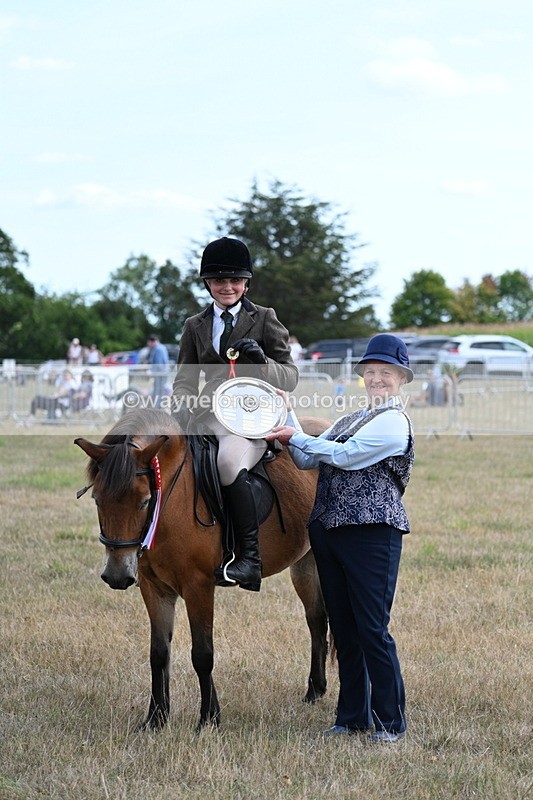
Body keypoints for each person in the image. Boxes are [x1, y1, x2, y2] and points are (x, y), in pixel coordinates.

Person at [265, 334, 415, 743]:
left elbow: (346, 456)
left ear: (402, 378)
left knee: (372, 630)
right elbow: (306, 457)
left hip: (371, 534)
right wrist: (288, 415)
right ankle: (351, 718)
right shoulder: (350, 419)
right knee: (345, 630)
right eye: (371, 373)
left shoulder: (393, 422)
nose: (377, 379)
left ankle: (389, 722)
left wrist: (295, 436)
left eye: (386, 373)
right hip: (329, 532)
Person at [172, 236, 298, 592]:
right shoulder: (194, 326)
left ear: (246, 283)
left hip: (252, 419)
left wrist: (263, 361)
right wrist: (181, 408)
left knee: (228, 463)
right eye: (218, 280)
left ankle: (248, 560)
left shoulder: (265, 319)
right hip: (206, 417)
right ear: (207, 284)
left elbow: (290, 376)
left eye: (234, 280)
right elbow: (183, 381)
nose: (226, 287)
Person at [146, 334, 169, 408]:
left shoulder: (158, 349)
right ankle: (159, 407)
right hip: (163, 373)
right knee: (160, 391)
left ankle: (158, 408)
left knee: (158, 392)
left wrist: (151, 372)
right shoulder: (162, 347)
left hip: (160, 374)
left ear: (152, 341)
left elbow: (158, 364)